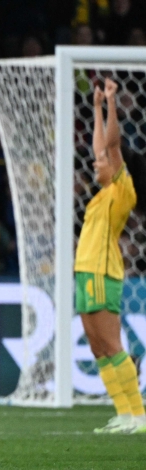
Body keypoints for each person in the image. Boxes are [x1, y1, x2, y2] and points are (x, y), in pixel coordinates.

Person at [76, 79, 146, 434]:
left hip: (104, 274)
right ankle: (124, 414)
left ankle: (139, 415)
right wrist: (96, 107)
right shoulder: (101, 194)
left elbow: (111, 145)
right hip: (85, 273)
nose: (96, 161)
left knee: (112, 344)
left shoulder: (122, 188)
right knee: (97, 347)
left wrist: (113, 102)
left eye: (102, 161)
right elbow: (99, 146)